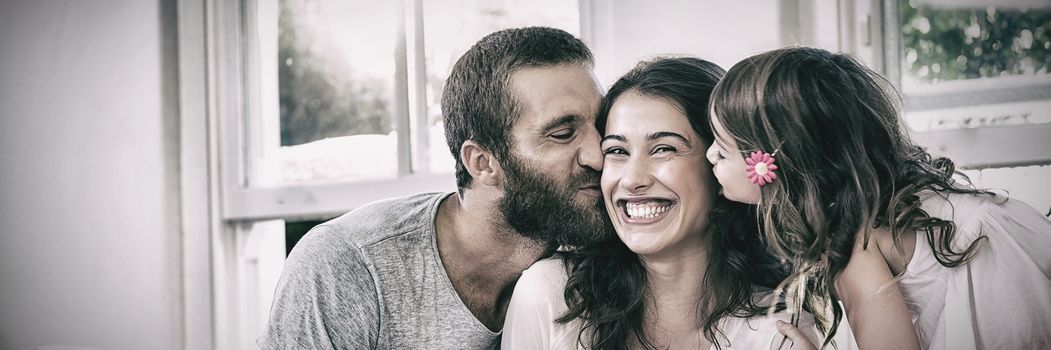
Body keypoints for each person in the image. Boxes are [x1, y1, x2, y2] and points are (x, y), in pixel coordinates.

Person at [258, 27, 611, 349]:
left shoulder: (603, 250)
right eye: (563, 134)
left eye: (602, 126)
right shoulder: (349, 264)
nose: (599, 155)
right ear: (483, 163)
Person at [705, 46, 1051, 349]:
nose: (708, 157)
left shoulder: (854, 243)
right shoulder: (880, 206)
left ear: (774, 166)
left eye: (721, 151)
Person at [502, 56, 821, 350]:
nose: (631, 180)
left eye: (663, 149)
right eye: (617, 151)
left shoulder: (782, 332)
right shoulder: (550, 294)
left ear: (721, 163)